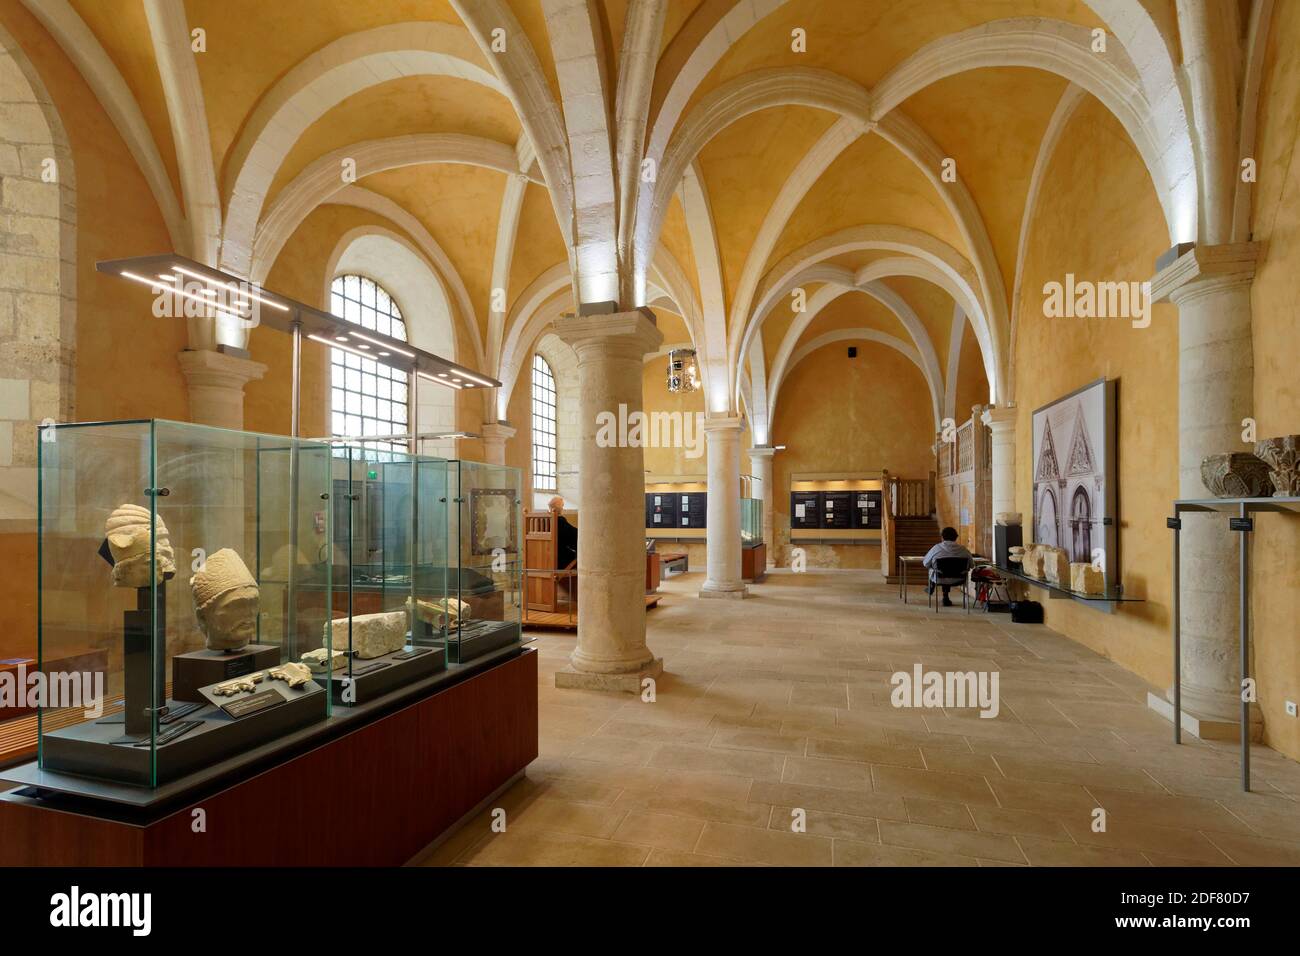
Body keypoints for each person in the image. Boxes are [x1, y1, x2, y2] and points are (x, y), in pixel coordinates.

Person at [922, 526, 971, 606]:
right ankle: (945, 597)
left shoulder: (936, 548)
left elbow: (925, 563)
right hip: (959, 579)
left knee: (936, 569)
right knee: (944, 571)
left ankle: (931, 586)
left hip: (939, 579)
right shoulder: (964, 550)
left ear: (942, 537)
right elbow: (971, 565)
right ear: (956, 537)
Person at [549, 495, 577, 568]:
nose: (562, 508)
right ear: (558, 508)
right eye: (562, 506)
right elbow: (572, 534)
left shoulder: (544, 519)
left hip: (546, 554)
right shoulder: (559, 520)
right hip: (559, 556)